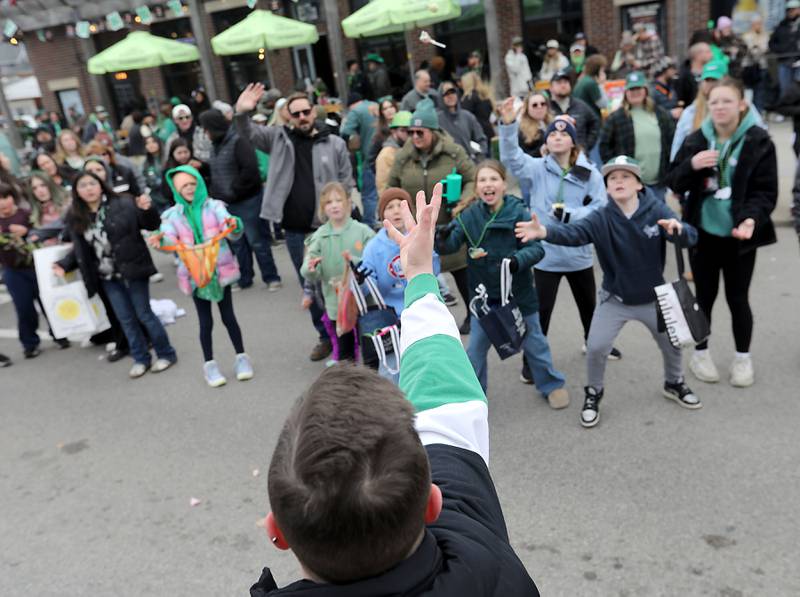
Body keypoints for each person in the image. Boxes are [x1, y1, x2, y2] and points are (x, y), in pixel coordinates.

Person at [251, 182, 539, 596]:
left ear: (277, 531)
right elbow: (443, 389)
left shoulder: (453, 511)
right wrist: (421, 276)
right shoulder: (483, 550)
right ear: (431, 504)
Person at [515, 156, 701, 428]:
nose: (619, 182)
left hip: (652, 297)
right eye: (612, 178)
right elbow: (574, 234)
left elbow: (690, 236)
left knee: (671, 344)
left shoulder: (656, 209)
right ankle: (594, 392)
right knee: (597, 346)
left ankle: (674, 382)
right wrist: (544, 231)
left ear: (638, 184)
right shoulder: (601, 217)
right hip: (615, 298)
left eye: (626, 176)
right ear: (607, 187)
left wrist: (679, 229)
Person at [666, 76, 777, 388]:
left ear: (741, 105)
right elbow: (673, 181)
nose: (719, 107)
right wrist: (692, 165)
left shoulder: (758, 141)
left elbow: (766, 191)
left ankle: (743, 358)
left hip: (740, 236)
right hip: (702, 235)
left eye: (727, 100)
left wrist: (752, 219)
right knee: (704, 297)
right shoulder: (696, 140)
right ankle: (701, 353)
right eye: (714, 101)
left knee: (738, 298)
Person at [435, 159, 569, 408]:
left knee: (535, 343)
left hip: (518, 294)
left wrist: (517, 261)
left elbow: (536, 249)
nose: (488, 185)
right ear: (476, 188)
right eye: (482, 180)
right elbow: (451, 245)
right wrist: (440, 236)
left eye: (493, 179)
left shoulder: (519, 212)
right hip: (484, 298)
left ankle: (551, 384)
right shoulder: (469, 215)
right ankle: (472, 397)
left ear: (504, 185)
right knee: (474, 350)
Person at [234, 84, 353, 362]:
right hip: (296, 232)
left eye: (306, 111)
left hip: (328, 227)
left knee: (339, 284)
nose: (302, 117)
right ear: (288, 116)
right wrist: (241, 112)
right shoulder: (277, 138)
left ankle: (348, 336)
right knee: (309, 285)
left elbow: (347, 181)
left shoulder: (333, 142)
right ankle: (325, 336)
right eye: (295, 113)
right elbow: (247, 132)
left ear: (314, 111)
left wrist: (345, 212)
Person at [499, 103, 616, 380]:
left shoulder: (591, 173)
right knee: (540, 314)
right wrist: (507, 126)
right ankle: (531, 364)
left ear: (573, 141)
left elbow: (601, 208)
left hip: (578, 255)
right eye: (552, 134)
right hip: (546, 256)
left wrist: (571, 214)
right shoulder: (538, 168)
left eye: (563, 135)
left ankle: (596, 345)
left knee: (589, 307)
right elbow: (512, 158)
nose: (557, 138)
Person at [54, 171, 177, 378]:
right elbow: (80, 248)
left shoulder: (124, 202)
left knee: (143, 313)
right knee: (125, 318)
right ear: (76, 191)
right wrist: (64, 264)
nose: (89, 189)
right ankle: (141, 358)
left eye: (92, 183)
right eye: (82, 186)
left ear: (101, 185)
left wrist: (147, 210)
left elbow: (151, 225)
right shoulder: (77, 215)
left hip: (133, 268)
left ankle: (166, 354)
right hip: (106, 275)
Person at [155, 166, 253, 387]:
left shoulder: (215, 206)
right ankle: (210, 365)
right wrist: (160, 239)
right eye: (183, 186)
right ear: (176, 190)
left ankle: (241, 358)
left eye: (192, 184)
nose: (189, 189)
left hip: (219, 270)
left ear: (200, 184)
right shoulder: (172, 215)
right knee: (205, 321)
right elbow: (168, 238)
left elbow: (231, 226)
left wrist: (234, 224)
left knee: (229, 316)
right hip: (194, 274)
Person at [386, 99, 477, 333]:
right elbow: (392, 186)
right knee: (421, 277)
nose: (415, 136)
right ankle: (427, 325)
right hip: (416, 228)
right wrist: (396, 209)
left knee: (461, 272)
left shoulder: (453, 152)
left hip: (448, 224)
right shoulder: (403, 156)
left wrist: (462, 203)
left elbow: (471, 179)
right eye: (411, 132)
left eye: (420, 131)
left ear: (433, 131)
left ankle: (472, 315)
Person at [359, 187, 441, 382]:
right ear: (382, 215)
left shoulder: (418, 237)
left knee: (424, 362)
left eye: (400, 206)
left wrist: (434, 252)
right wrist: (362, 281)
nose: (396, 210)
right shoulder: (374, 246)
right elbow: (367, 286)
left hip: (417, 310)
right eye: (390, 207)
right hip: (388, 316)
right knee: (391, 368)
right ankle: (390, 407)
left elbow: (433, 272)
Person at [199, 108, 282, 292]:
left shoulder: (238, 141)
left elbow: (250, 171)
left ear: (213, 127)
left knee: (257, 241)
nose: (205, 133)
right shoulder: (215, 146)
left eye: (206, 129)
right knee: (237, 244)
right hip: (226, 203)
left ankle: (271, 277)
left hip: (247, 201)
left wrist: (233, 191)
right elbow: (219, 169)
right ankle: (245, 278)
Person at [300, 182, 375, 366]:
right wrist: (312, 267)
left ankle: (371, 384)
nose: (334, 205)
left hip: (364, 302)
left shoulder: (363, 232)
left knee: (370, 349)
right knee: (344, 350)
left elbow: (375, 262)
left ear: (348, 203)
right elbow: (308, 272)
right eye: (328, 202)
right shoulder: (319, 236)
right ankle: (348, 386)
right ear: (323, 208)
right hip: (336, 305)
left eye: (338, 200)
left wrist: (355, 262)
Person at [0, 182, 69, 358]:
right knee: (24, 308)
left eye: (5, 197)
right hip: (12, 271)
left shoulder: (27, 214)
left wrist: (26, 231)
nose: (3, 202)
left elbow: (43, 232)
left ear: (12, 197)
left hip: (37, 266)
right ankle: (29, 343)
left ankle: (59, 334)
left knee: (48, 301)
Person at [599, 71, 676, 201]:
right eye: (631, 89)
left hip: (658, 183)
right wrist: (619, 170)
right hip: (630, 185)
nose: (635, 92)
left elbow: (672, 141)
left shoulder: (661, 114)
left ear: (645, 90)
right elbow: (604, 146)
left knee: (658, 219)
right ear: (626, 92)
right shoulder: (616, 118)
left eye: (638, 88)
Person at [341, 93, 380, 225]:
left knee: (369, 195)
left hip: (369, 158)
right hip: (386, 153)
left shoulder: (355, 111)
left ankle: (369, 224)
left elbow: (345, 132)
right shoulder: (375, 105)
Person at [548, 69, 601, 150]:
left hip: (580, 156)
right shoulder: (546, 107)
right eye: (559, 83)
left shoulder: (580, 105)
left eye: (565, 82)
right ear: (551, 88)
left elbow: (595, 122)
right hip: (554, 155)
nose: (563, 85)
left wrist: (586, 145)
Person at [436, 81, 488, 163]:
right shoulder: (436, 120)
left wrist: (479, 157)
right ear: (441, 97)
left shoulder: (468, 116)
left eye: (452, 92)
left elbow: (481, 139)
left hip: (468, 164)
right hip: (446, 165)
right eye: (446, 94)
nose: (450, 96)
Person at [25, 171, 70, 243]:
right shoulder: (35, 213)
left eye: (43, 185)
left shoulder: (68, 203)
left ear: (50, 185)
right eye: (34, 188)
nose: (39, 190)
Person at [769, 0, 800, 98]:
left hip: (799, 62)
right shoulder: (781, 26)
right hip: (784, 62)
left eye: (793, 9)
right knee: (785, 89)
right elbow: (772, 43)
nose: (791, 12)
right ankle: (787, 111)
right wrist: (782, 50)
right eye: (789, 10)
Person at [375, 111, 411, 193]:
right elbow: (383, 188)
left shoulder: (414, 150)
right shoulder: (386, 155)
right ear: (393, 131)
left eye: (410, 131)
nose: (408, 135)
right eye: (403, 130)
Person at [741, 15, 770, 113]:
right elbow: (751, 50)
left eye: (759, 23)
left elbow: (765, 48)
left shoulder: (765, 35)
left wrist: (757, 47)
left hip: (762, 66)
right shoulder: (746, 36)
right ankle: (748, 112)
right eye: (756, 23)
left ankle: (759, 112)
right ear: (752, 25)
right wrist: (756, 48)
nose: (758, 26)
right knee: (748, 91)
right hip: (749, 67)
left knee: (760, 91)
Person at [459, 71, 496, 143]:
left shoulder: (468, 98)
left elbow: (464, 118)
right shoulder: (485, 95)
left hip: (477, 136)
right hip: (489, 131)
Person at [516, 91, 554, 158]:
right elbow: (522, 158)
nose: (539, 107)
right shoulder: (522, 131)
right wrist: (541, 150)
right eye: (535, 105)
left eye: (543, 104)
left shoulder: (553, 124)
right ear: (527, 109)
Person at [676, 42, 714, 108]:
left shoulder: (712, 72)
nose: (712, 54)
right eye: (708, 52)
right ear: (698, 55)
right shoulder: (683, 76)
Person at [572, 54, 608, 120]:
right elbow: (604, 104)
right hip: (589, 120)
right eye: (602, 70)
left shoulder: (584, 79)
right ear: (597, 69)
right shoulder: (591, 83)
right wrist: (601, 84)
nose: (603, 73)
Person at [142, 136, 168, 212]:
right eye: (147, 143)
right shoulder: (145, 163)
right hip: (156, 198)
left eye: (153, 142)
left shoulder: (166, 158)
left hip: (169, 196)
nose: (151, 145)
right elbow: (145, 180)